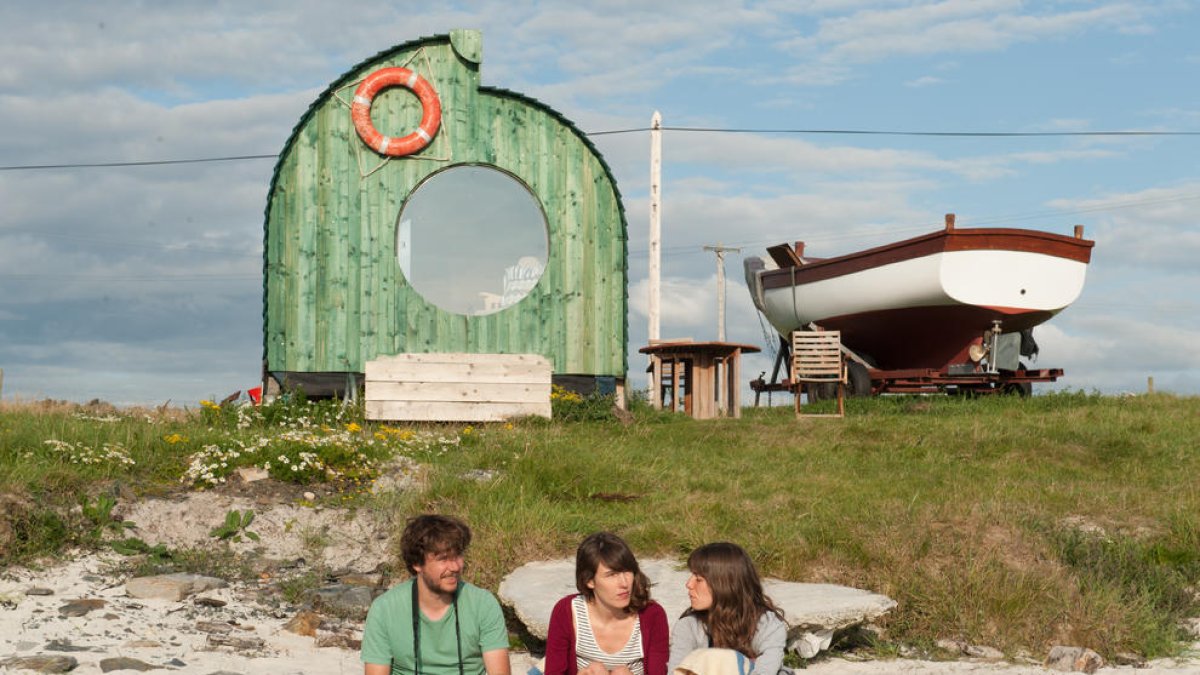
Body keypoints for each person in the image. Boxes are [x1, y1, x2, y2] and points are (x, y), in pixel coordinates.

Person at [362, 514, 511, 675]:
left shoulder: (483, 604)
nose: (455, 566)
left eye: (458, 556)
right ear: (417, 563)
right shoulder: (385, 609)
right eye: (443, 559)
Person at [543, 532, 669, 675]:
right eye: (612, 575)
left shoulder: (652, 615)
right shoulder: (566, 611)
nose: (624, 583)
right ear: (589, 581)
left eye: (627, 571)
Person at [667, 543, 788, 675]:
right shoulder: (688, 626)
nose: (689, 584)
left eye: (699, 579)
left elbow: (765, 672)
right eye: (691, 576)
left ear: (724, 584)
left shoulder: (767, 625)